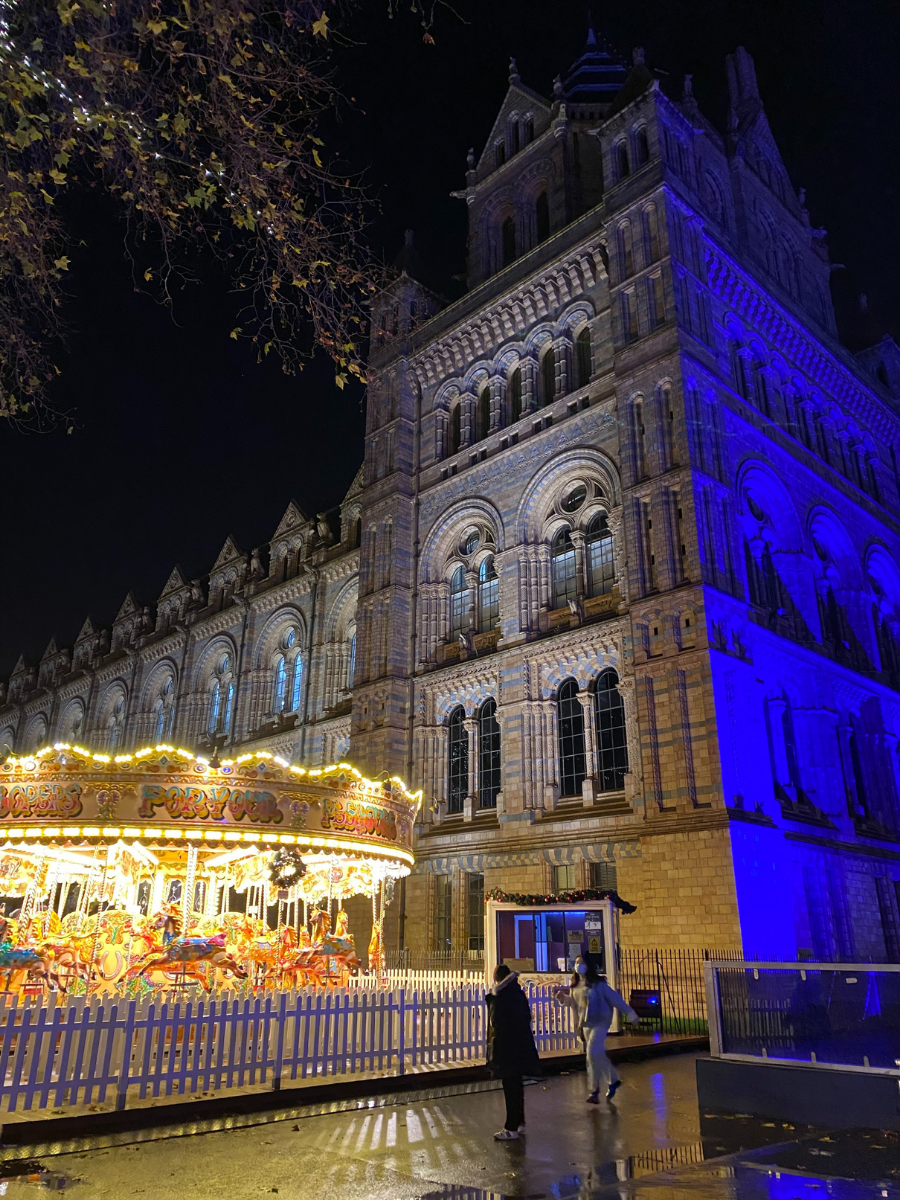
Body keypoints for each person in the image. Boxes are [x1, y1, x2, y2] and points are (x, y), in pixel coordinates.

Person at [554, 961, 639, 1103]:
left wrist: (630, 1013)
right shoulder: (575, 986)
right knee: (596, 1055)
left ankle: (595, 1090)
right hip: (586, 1023)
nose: (579, 965)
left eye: (582, 962)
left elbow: (615, 998)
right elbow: (575, 1004)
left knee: (592, 1053)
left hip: (601, 1021)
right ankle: (613, 1080)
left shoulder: (599, 984)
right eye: (576, 963)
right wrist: (564, 1000)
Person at [485, 963, 542, 1141]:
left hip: (507, 1047)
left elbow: (496, 1023)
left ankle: (511, 1127)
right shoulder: (517, 992)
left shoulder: (501, 997)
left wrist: (491, 1001)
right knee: (517, 1085)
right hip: (520, 1045)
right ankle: (519, 1122)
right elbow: (526, 1016)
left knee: (510, 1087)